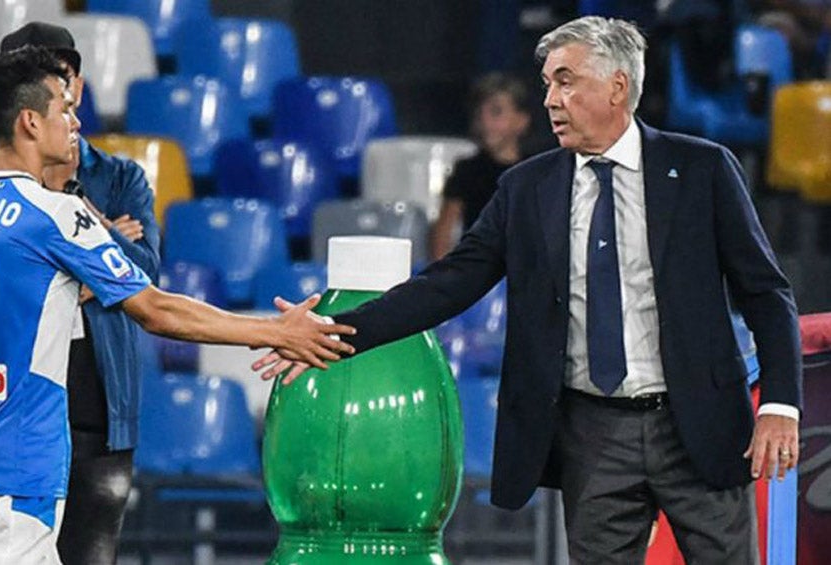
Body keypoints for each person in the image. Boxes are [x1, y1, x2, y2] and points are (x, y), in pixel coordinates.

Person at [256, 16, 802, 563]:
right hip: (593, 432)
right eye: (546, 84)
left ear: (617, 86)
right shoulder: (526, 187)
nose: (550, 100)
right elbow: (449, 284)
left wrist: (780, 404)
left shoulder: (703, 169)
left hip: (698, 424)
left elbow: (765, 293)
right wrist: (332, 334)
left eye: (566, 81)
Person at [0, 46, 354, 563]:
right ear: (31, 122)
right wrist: (275, 332)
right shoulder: (55, 214)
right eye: (65, 108)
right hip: (22, 473)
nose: (75, 121)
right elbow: (156, 309)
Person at [0, 22, 161, 563]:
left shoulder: (121, 177)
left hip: (97, 400)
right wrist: (96, 247)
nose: (62, 91)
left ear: (77, 86)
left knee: (91, 551)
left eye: (65, 77)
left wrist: (87, 239)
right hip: (4, 414)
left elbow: (145, 278)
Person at [430, 72, 531, 260]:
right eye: (479, 113)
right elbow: (443, 232)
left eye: (496, 112)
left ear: (521, 120)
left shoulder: (535, 171)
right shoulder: (466, 171)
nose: (485, 122)